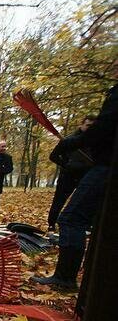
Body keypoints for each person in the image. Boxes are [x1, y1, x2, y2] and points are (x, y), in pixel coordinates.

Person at [32, 80, 116, 290]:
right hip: (94, 169)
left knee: (71, 219)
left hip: (105, 168)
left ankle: (65, 277)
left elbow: (105, 129)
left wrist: (79, 142)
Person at [47, 115, 96, 232]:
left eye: (93, 126)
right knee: (59, 201)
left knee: (86, 201)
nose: (90, 128)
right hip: (68, 176)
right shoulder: (69, 140)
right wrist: (67, 164)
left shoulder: (96, 142)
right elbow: (53, 156)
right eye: (88, 125)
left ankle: (86, 225)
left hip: (86, 177)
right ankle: (52, 224)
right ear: (81, 125)